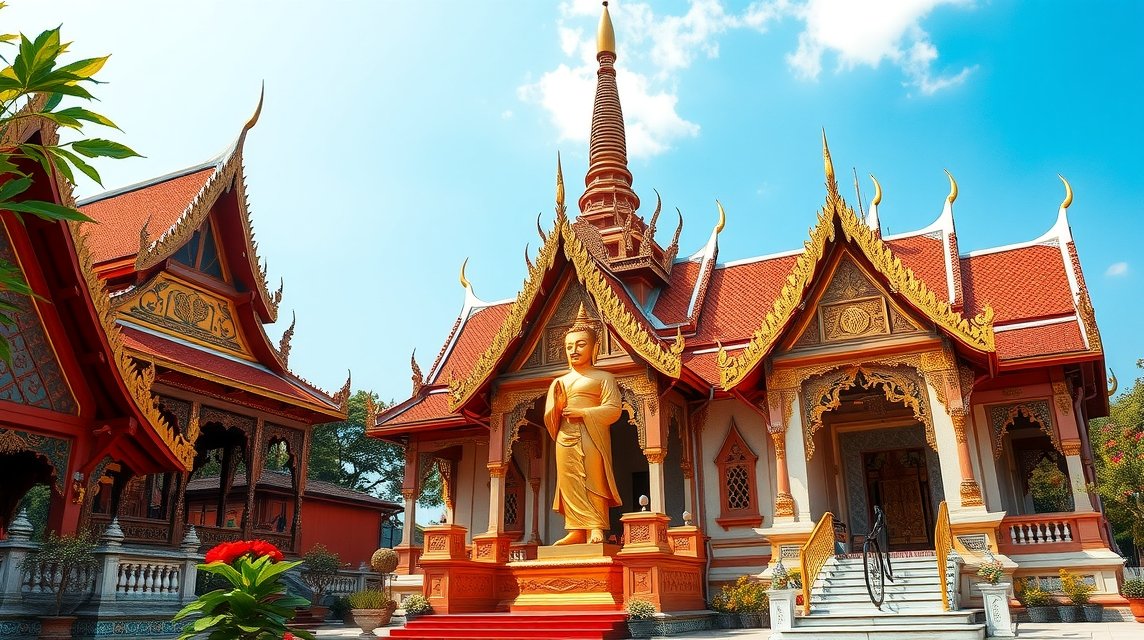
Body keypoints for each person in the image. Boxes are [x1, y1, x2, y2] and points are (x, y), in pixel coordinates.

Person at [543, 303, 623, 544]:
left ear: (594, 347)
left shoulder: (604, 378)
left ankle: (596, 526)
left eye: (580, 344)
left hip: (591, 435)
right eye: (569, 346)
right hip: (565, 438)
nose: (574, 350)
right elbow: (549, 417)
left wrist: (584, 412)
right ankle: (576, 529)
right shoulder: (559, 381)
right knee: (570, 480)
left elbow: (613, 410)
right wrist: (556, 407)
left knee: (592, 478)